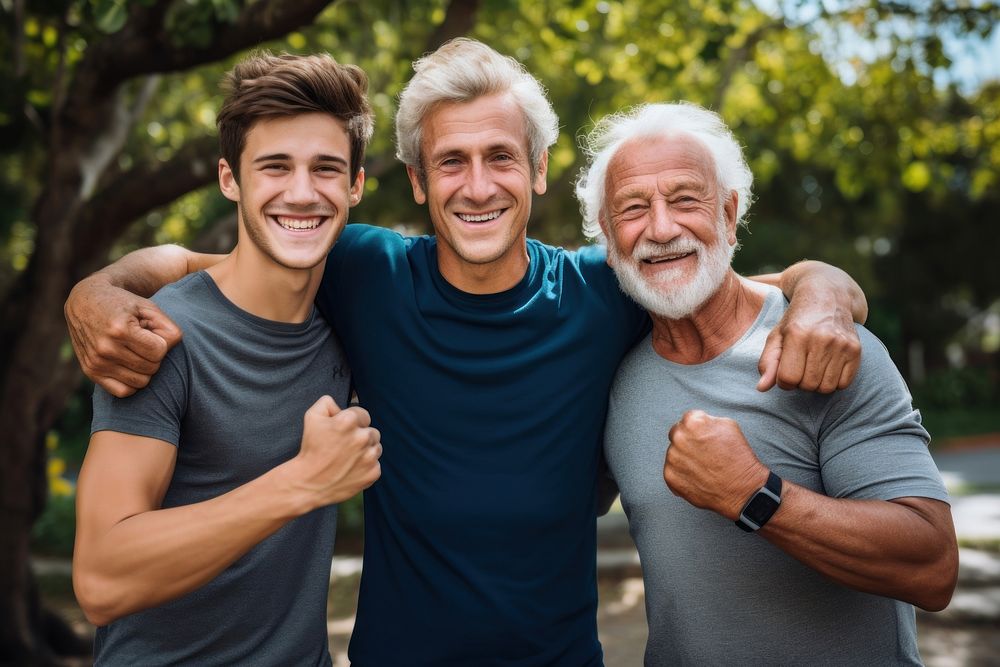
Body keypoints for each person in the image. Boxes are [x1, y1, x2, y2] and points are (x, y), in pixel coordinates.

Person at [66, 40, 868, 665]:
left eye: (500, 158)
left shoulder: (605, 289)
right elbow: (210, 267)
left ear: (540, 171)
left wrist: (826, 288)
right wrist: (95, 290)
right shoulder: (360, 271)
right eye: (451, 161)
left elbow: (738, 283)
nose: (477, 185)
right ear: (416, 181)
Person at [575, 101, 959, 665]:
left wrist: (753, 494)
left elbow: (932, 567)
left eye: (686, 199)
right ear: (609, 240)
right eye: (633, 209)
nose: (661, 228)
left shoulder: (827, 345)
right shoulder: (610, 373)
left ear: (730, 214)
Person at [71, 53, 383, 666]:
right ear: (229, 179)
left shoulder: (351, 308)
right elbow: (101, 579)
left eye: (326, 169)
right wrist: (301, 484)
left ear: (355, 185)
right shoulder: (157, 334)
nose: (302, 192)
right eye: (274, 167)